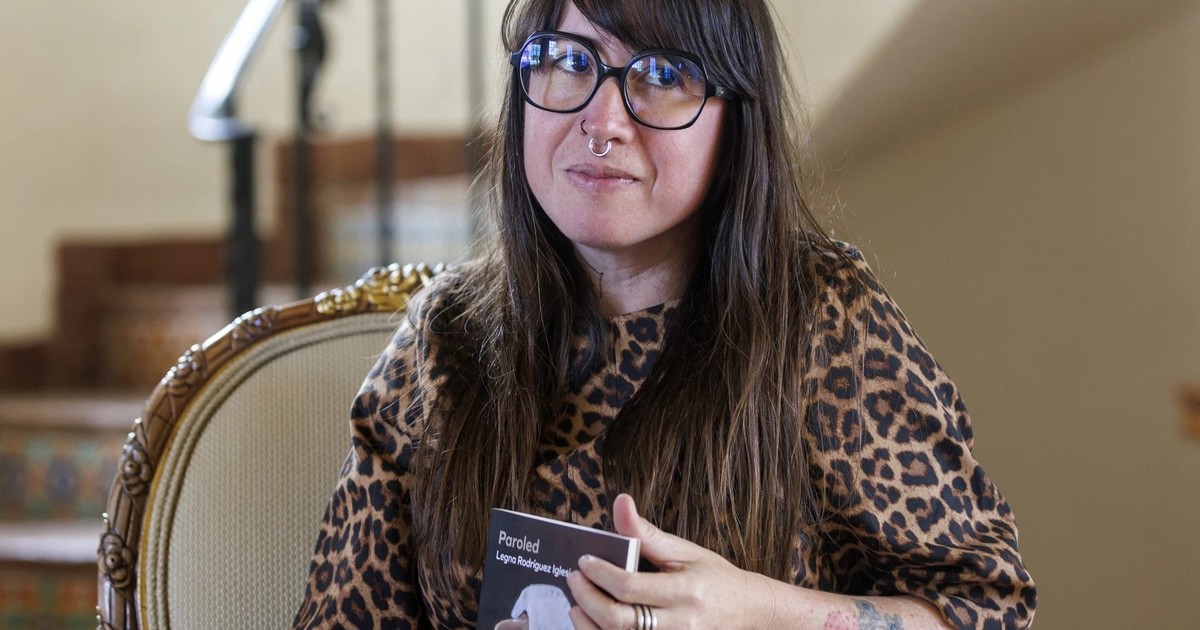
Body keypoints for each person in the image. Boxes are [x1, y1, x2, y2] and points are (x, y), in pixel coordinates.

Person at [293, 0, 1037, 628]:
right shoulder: (445, 336)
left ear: (735, 116)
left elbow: (986, 607)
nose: (602, 121)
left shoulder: (819, 318)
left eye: (662, 74)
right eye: (569, 61)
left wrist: (763, 614)